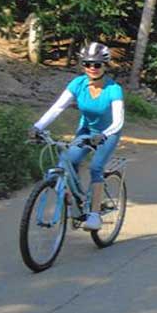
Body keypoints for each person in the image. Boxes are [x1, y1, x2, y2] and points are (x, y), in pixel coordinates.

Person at [30, 42, 124, 231]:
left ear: (105, 66)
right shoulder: (78, 84)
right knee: (67, 159)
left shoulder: (114, 89)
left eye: (97, 64)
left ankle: (95, 214)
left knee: (96, 167)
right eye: (87, 64)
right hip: (86, 131)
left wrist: (104, 135)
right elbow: (58, 107)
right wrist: (37, 126)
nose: (92, 68)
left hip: (109, 133)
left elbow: (118, 120)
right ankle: (77, 201)